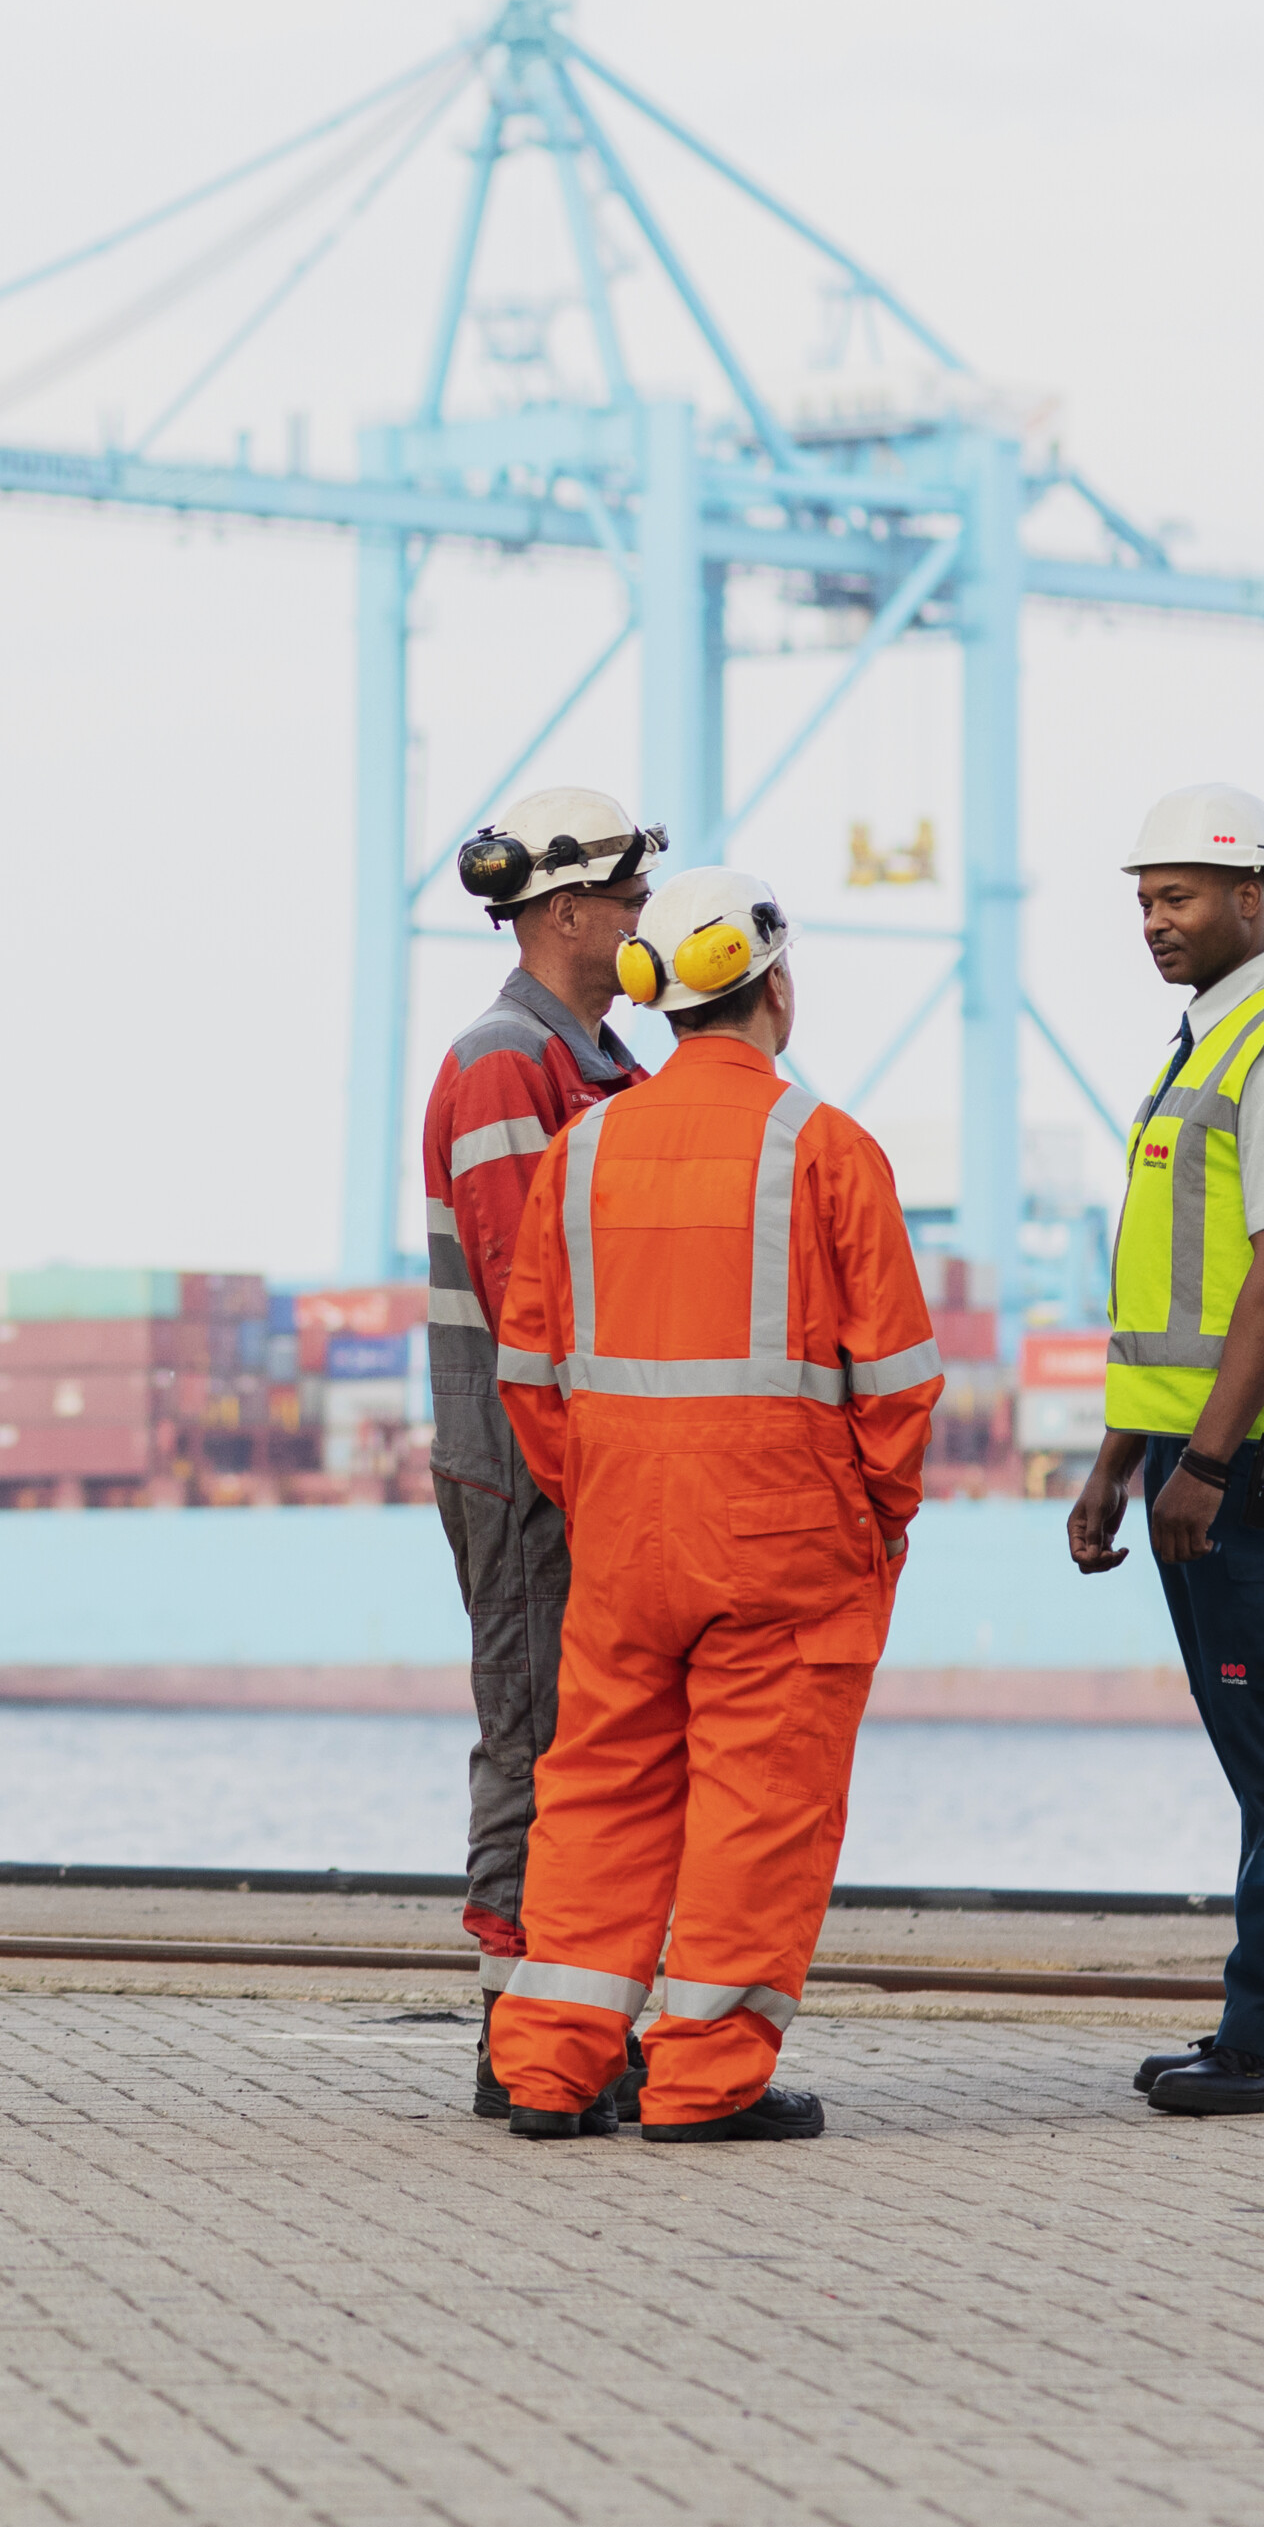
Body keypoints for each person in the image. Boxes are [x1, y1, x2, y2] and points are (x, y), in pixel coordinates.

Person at [482, 870, 941, 2143]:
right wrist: (872, 1524)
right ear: (774, 991)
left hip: (624, 1537)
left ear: (655, 999)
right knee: (757, 1807)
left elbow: (527, 1369)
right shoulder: (826, 1149)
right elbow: (896, 1381)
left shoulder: (582, 1151)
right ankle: (699, 2082)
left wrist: (600, 1495)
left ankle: (549, 2068)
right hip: (784, 1544)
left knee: (596, 1795)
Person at [1066, 785, 1264, 2118]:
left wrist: (1203, 1465)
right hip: (1196, 1449)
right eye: (1143, 899)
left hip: (1257, 1460)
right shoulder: (1202, 1049)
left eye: (1178, 896)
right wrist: (1116, 1456)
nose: (1154, 921)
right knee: (1257, 1750)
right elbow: (1171, 1293)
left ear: (1254, 898)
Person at [419, 788, 657, 2118]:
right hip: (527, 1468)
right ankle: (522, 2038)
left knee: (590, 1742)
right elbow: (530, 1308)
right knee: (532, 1736)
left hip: (589, 1463)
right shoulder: (511, 1060)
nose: (639, 925)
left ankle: (580, 2018)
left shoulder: (605, 1066)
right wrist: (591, 1472)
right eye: (626, 902)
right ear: (566, 910)